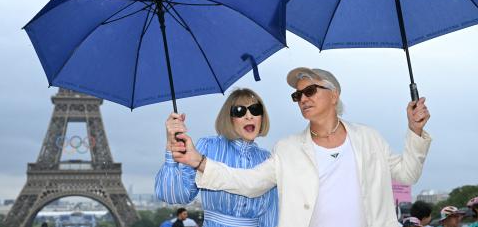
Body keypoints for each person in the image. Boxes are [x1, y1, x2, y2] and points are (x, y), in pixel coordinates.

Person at [170, 67, 432, 227]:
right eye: (297, 95)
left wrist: (415, 130)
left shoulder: (370, 138)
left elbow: (408, 174)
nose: (302, 99)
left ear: (334, 94)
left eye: (310, 91)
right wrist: (198, 161)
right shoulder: (287, 149)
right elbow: (248, 182)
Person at [155, 88, 278, 227]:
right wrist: (171, 152)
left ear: (262, 116)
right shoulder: (208, 147)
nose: (249, 116)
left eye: (255, 109)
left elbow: (271, 215)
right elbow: (173, 195)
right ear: (228, 118)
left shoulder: (268, 159)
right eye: (239, 111)